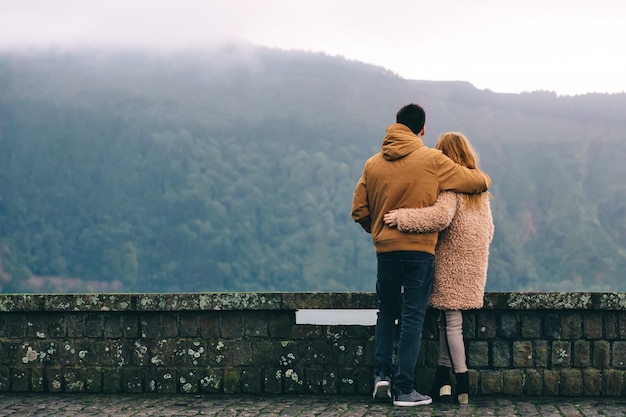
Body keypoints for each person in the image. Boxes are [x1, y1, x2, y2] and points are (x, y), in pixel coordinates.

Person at [351, 104, 491, 407]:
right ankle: (404, 389)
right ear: (422, 130)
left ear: (396, 125)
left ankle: (381, 376)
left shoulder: (372, 164)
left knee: (386, 312)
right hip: (419, 253)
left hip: (385, 251)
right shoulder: (433, 160)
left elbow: (359, 210)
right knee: (413, 317)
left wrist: (378, 229)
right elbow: (478, 182)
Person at [383, 131, 494, 405]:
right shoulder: (479, 194)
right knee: (448, 322)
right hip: (473, 266)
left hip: (450, 265)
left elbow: (439, 217)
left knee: (452, 324)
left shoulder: (450, 190)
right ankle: (442, 381)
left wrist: (402, 217)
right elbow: (489, 230)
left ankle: (462, 381)